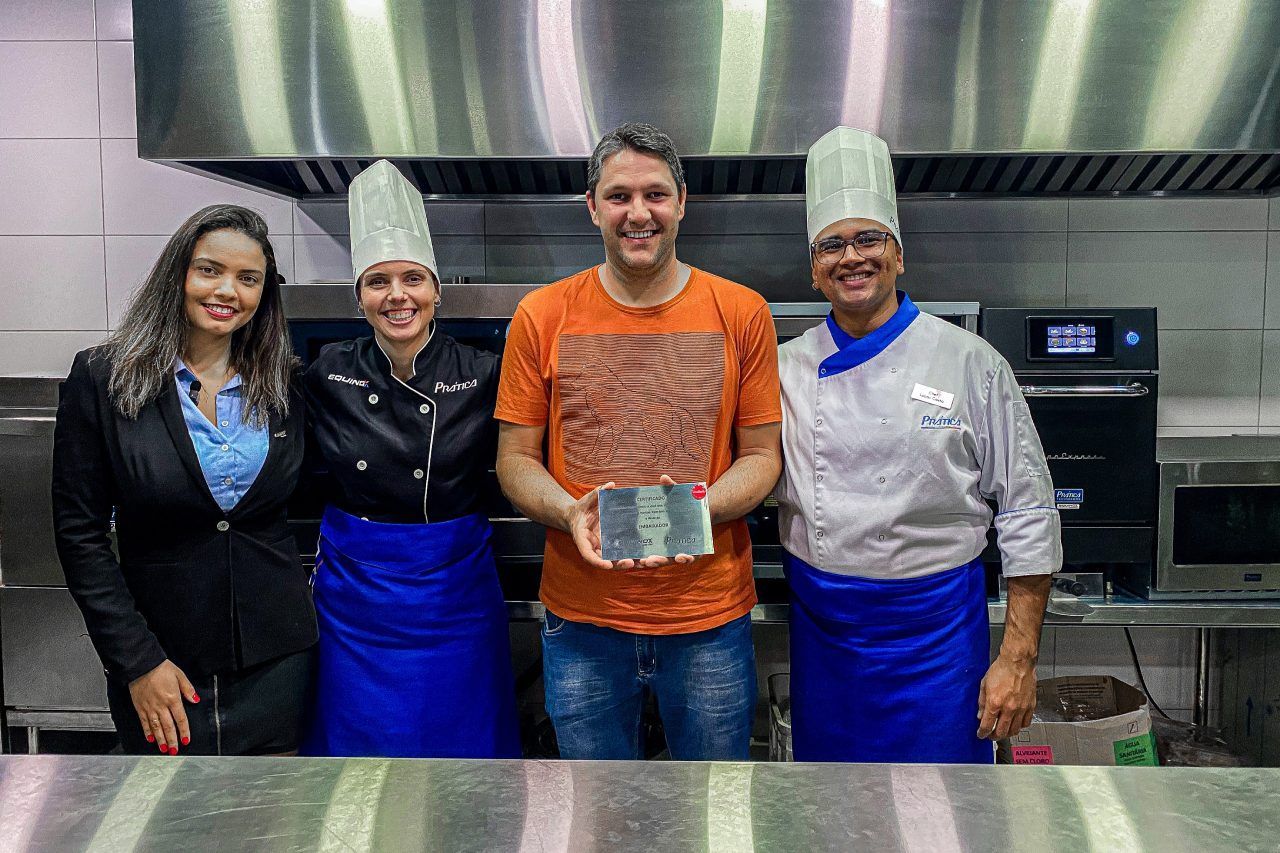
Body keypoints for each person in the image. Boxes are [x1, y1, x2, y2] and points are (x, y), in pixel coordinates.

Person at [774, 126, 1061, 764]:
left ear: (899, 254)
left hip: (936, 635)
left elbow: (1029, 511)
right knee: (831, 813)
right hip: (826, 636)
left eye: (869, 239)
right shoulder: (781, 370)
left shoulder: (969, 362)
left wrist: (1018, 658)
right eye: (832, 245)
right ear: (814, 269)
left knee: (944, 813)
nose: (852, 257)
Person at [495, 123, 782, 760]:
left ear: (683, 201)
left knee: (714, 807)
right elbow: (515, 460)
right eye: (619, 196)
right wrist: (571, 512)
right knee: (598, 810)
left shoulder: (741, 311)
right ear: (592, 206)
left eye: (655, 194)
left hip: (707, 617)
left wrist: (694, 510)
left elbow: (763, 455)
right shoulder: (542, 314)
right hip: (582, 620)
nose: (638, 212)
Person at [52, 205, 316, 756]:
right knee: (168, 823)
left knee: (269, 828)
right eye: (210, 270)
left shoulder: (284, 385)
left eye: (248, 279)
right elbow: (80, 536)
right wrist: (137, 661)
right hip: (162, 666)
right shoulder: (104, 378)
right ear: (178, 273)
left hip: (277, 662)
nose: (227, 291)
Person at [301, 160, 520, 758]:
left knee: (465, 750)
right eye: (378, 282)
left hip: (455, 589)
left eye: (412, 279)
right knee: (357, 752)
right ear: (359, 297)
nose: (397, 296)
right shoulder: (325, 372)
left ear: (436, 290)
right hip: (356, 593)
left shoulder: (482, 373)